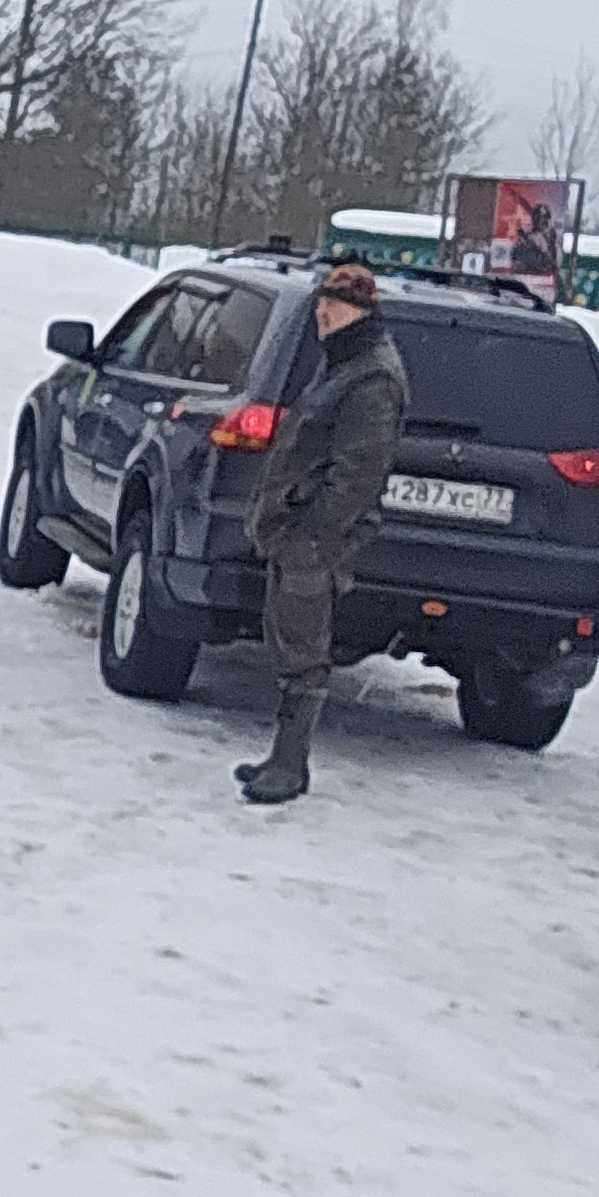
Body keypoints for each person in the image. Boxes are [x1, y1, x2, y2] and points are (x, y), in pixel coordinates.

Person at [238, 259, 409, 805]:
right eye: (321, 304)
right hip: (295, 528)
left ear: (361, 312)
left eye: (334, 306)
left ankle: (291, 765)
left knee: (304, 647)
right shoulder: (342, 363)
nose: (323, 314)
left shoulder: (372, 377)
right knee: (287, 636)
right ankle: (281, 758)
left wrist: (315, 532)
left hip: (315, 538)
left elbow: (358, 471)